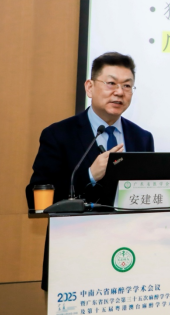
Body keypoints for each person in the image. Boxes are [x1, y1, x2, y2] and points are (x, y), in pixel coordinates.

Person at [25, 52, 154, 290]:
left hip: (128, 256)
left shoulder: (142, 138)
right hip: (74, 255)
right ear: (89, 87)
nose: (119, 92)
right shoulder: (58, 135)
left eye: (127, 86)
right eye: (111, 83)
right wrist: (89, 176)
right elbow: (36, 197)